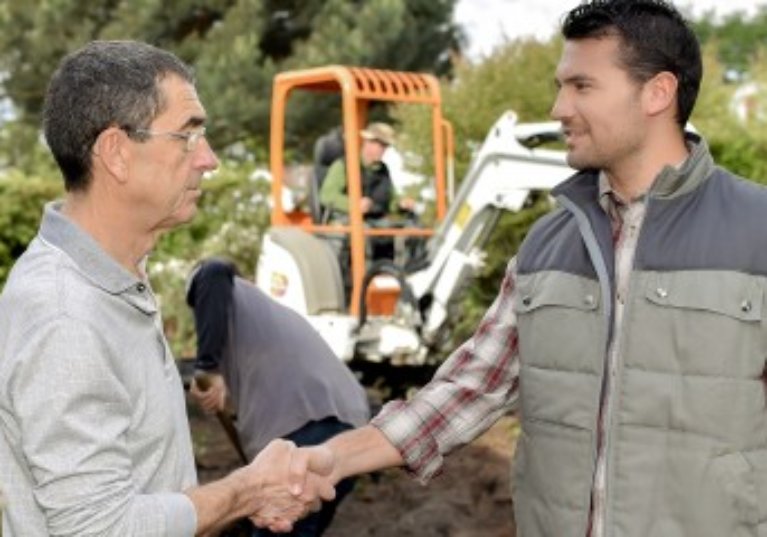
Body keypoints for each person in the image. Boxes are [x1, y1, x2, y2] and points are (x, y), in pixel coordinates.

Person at [282, 2, 767, 536]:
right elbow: (471, 386)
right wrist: (338, 456)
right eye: (561, 86)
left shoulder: (756, 232)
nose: (560, 107)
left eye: (582, 86)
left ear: (658, 93)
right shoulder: (546, 246)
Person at [0, 41, 331, 537]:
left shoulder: (113, 277)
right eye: (188, 136)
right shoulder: (67, 315)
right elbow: (99, 528)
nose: (210, 159)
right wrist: (248, 490)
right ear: (116, 152)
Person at [186, 257, 370, 537]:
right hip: (346, 431)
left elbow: (213, 270)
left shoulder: (220, 283)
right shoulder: (260, 319)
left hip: (310, 428)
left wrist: (207, 367)